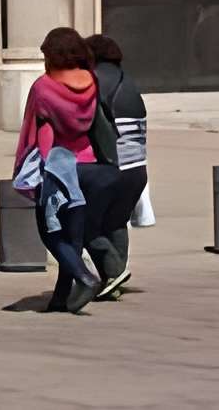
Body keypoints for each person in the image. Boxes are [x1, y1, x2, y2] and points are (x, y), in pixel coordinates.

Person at [12, 26, 103, 314]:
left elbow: (35, 129)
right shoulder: (91, 81)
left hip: (56, 168)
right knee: (73, 236)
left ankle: (85, 277)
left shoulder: (43, 88)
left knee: (50, 232)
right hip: (87, 163)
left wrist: (28, 167)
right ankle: (61, 298)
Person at [81, 34, 149, 301]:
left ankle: (114, 271)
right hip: (138, 169)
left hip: (113, 168)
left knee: (86, 225)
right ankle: (113, 281)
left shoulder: (95, 82)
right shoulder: (128, 81)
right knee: (116, 223)